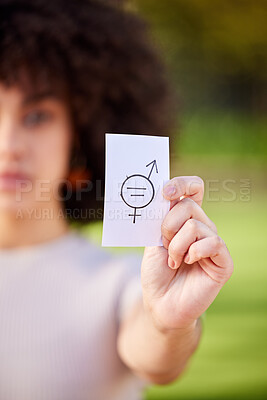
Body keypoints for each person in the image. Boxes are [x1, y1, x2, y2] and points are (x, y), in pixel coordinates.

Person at [0, 1, 234, 399]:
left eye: (37, 115)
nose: (8, 145)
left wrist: (168, 324)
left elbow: (155, 356)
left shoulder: (124, 282)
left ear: (81, 137)